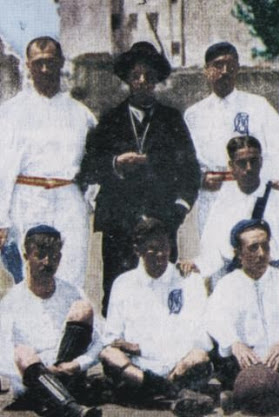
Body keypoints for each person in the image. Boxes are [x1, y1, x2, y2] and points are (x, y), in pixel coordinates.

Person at [78, 41, 200, 316]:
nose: (142, 81)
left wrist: (178, 210)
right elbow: (88, 168)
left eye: (148, 75)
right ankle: (116, 354)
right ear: (127, 80)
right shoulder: (109, 121)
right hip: (120, 225)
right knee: (117, 290)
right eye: (136, 76)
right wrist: (116, 164)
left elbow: (190, 172)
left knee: (163, 291)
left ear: (156, 79)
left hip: (162, 223)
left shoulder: (172, 121)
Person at [0, 36, 97, 289]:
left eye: (51, 62)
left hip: (68, 202)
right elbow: (2, 168)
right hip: (27, 200)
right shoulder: (10, 112)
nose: (45, 69)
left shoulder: (80, 113)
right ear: (28, 65)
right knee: (28, 278)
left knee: (71, 277)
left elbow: (93, 163)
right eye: (39, 63)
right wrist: (1, 220)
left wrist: (87, 200)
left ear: (61, 63)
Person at [99, 218, 214, 416]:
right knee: (109, 355)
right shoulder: (122, 283)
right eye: (152, 249)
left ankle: (156, 394)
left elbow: (200, 337)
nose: (160, 255)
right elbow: (112, 338)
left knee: (201, 358)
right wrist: (130, 348)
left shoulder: (189, 280)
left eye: (164, 247)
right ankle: (172, 393)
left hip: (179, 365)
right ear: (138, 249)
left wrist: (140, 347)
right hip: (139, 369)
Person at [205, 219, 279, 414]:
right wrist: (234, 342)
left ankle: (237, 397)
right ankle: (250, 395)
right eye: (253, 248)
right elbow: (214, 318)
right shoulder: (227, 285)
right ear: (238, 254)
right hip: (245, 360)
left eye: (265, 246)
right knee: (224, 356)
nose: (262, 254)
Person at [184, 42, 279, 232]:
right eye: (218, 65)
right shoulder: (193, 114)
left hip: (250, 191)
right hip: (213, 195)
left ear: (238, 69)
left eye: (230, 65)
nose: (224, 71)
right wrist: (200, 180)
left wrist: (275, 181)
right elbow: (185, 160)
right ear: (206, 70)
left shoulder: (257, 105)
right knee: (215, 251)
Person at [184, 135, 279, 283]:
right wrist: (197, 265)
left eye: (253, 161)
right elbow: (213, 250)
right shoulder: (223, 205)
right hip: (239, 281)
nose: (249, 168)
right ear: (231, 166)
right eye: (242, 163)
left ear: (261, 162)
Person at [0, 225, 102, 416]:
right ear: (26, 256)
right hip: (32, 381)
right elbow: (3, 356)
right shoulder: (11, 302)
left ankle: (61, 401)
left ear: (60, 258)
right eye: (40, 255)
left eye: (54, 256)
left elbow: (99, 341)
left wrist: (77, 364)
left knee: (83, 309)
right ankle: (72, 410)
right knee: (22, 352)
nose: (47, 262)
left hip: (68, 373)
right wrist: (42, 372)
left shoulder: (72, 293)